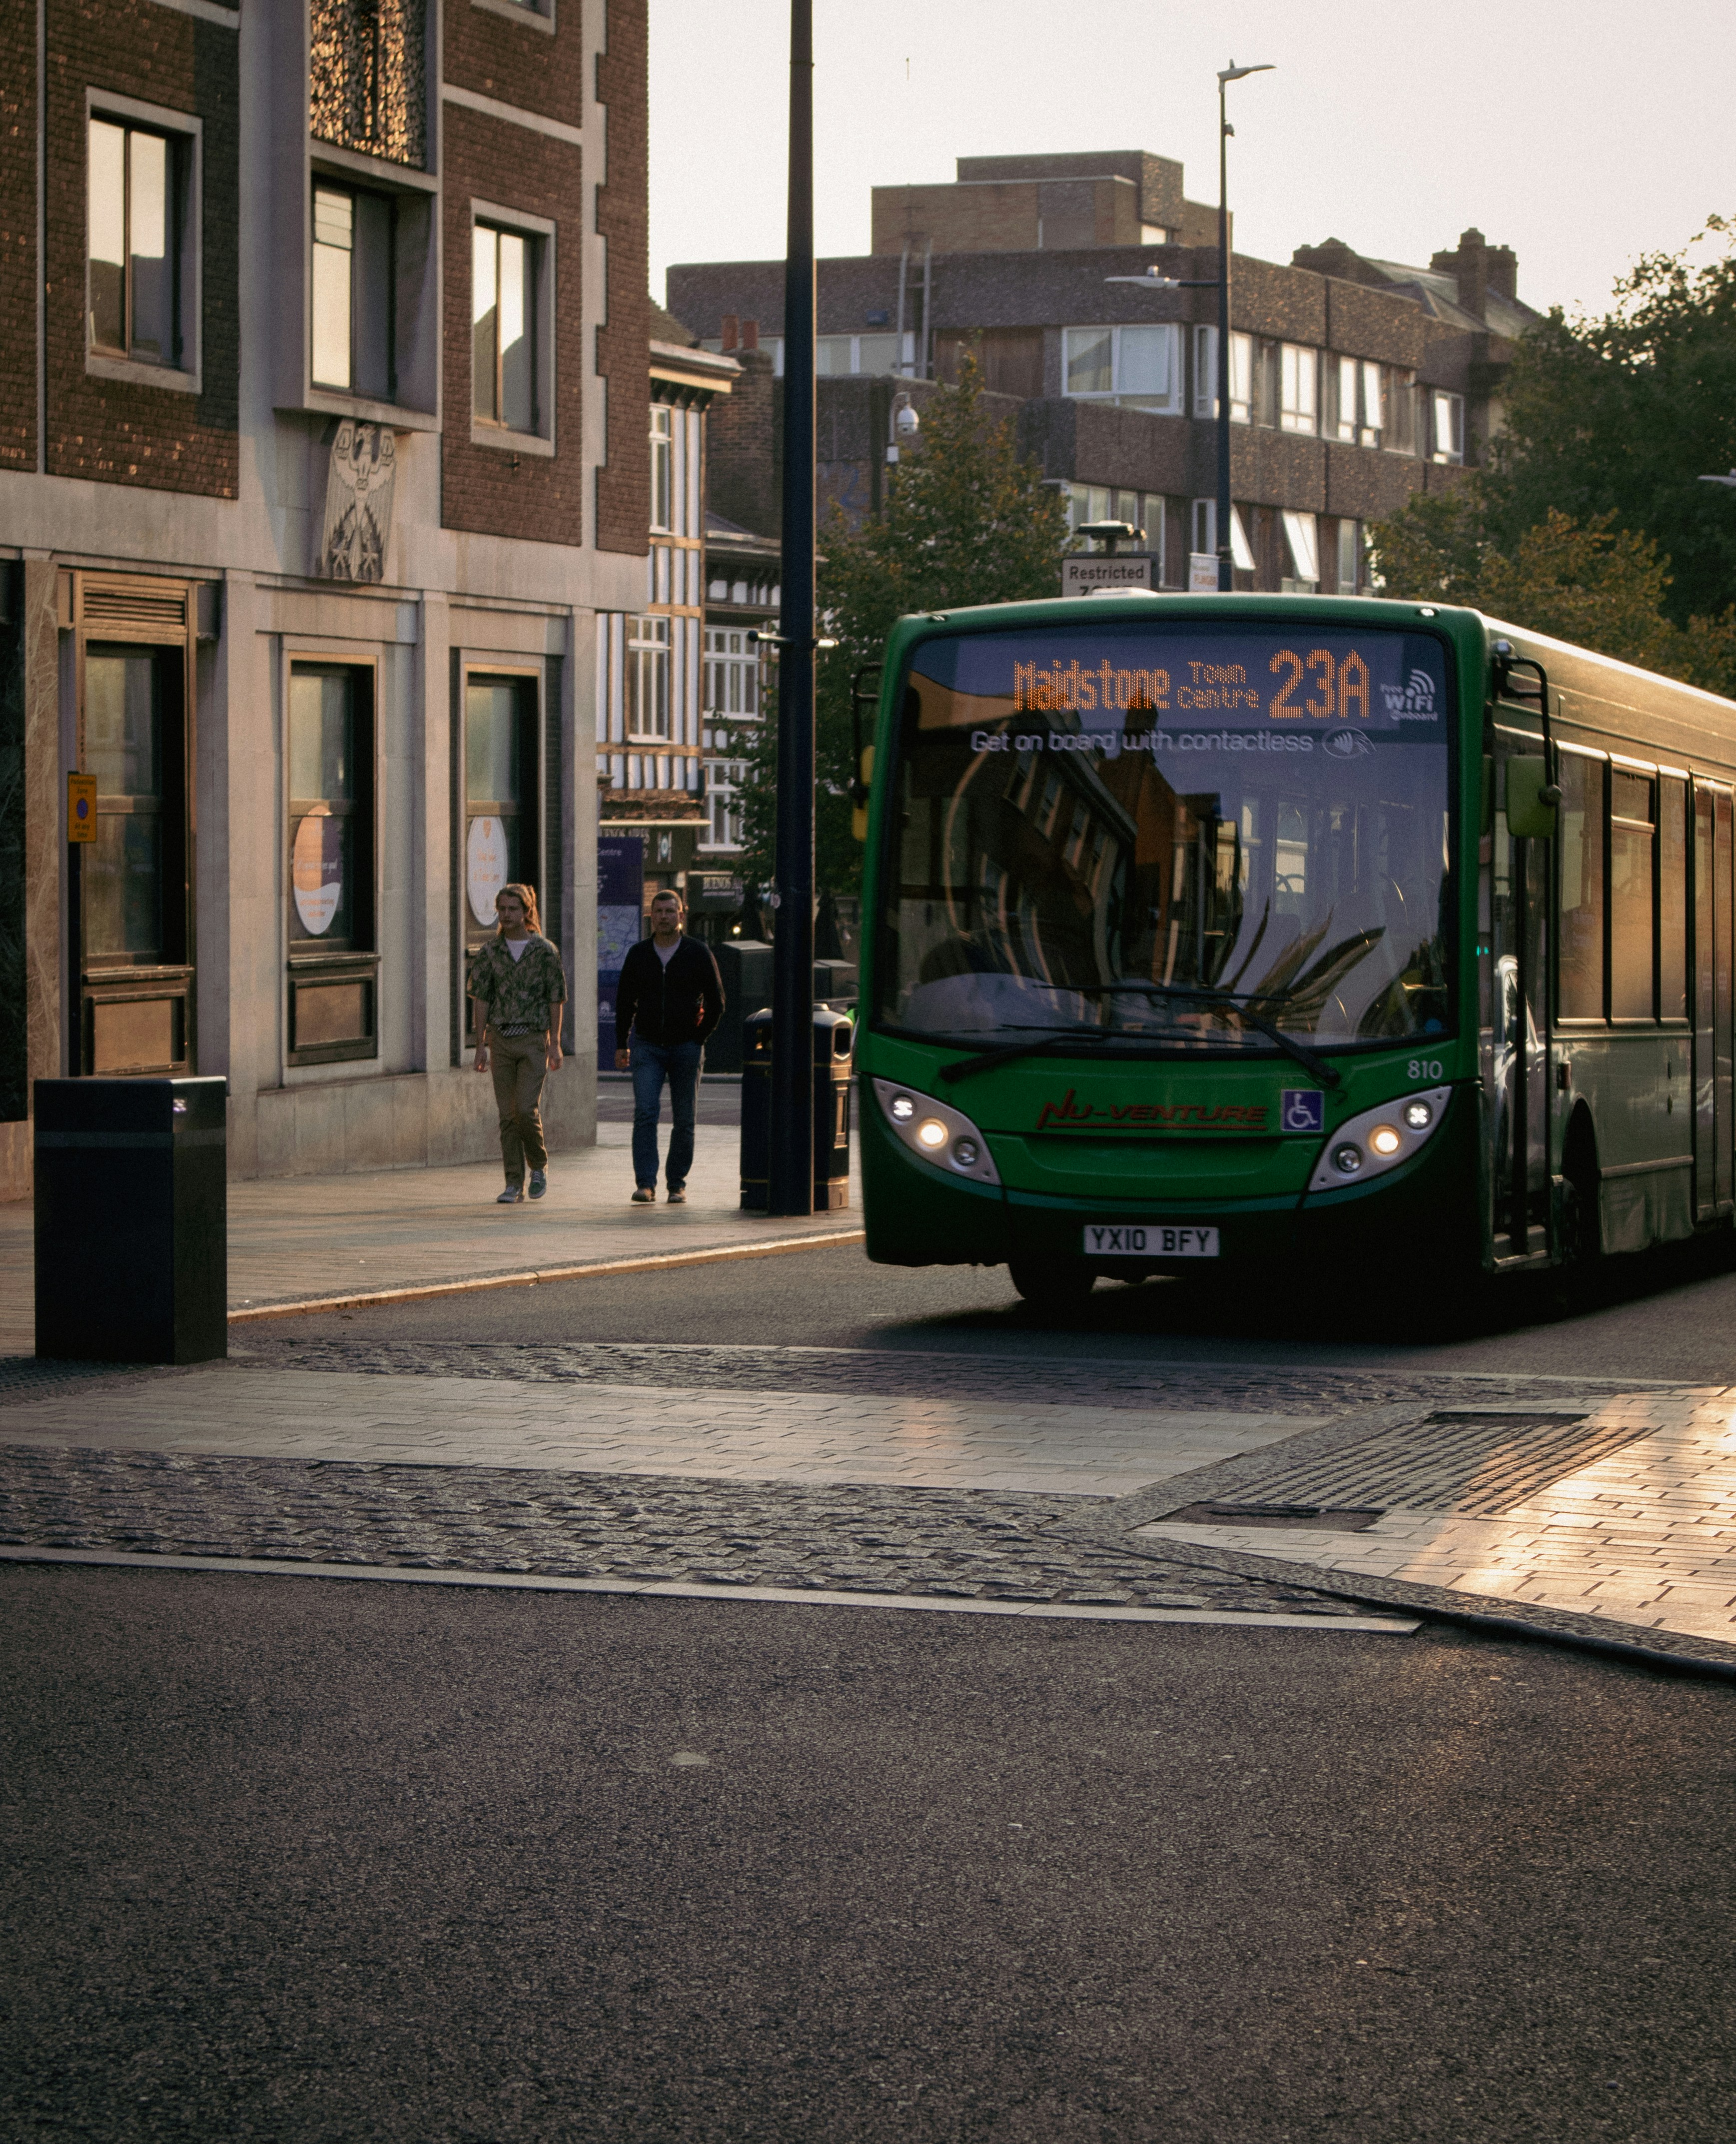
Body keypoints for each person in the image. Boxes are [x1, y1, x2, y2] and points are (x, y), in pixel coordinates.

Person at [613, 888, 725, 1204]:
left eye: (670, 911)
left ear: (681, 915)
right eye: (658, 912)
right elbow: (625, 1001)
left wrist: (698, 1037)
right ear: (652, 916)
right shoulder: (639, 954)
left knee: (684, 1117)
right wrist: (622, 1042)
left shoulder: (697, 952)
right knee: (646, 1112)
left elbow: (717, 1001)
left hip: (686, 1047)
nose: (664, 917)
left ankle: (677, 1183)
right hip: (647, 1045)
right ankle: (645, 1184)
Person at [470, 883, 567, 1204]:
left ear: (527, 912)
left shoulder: (544, 951)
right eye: (502, 909)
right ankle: (514, 1183)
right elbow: (481, 998)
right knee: (507, 1115)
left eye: (513, 909)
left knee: (525, 1108)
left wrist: (555, 1042)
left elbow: (556, 997)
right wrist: (480, 1044)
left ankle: (538, 1164)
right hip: (501, 1040)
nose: (507, 915)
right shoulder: (490, 952)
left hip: (533, 1039)